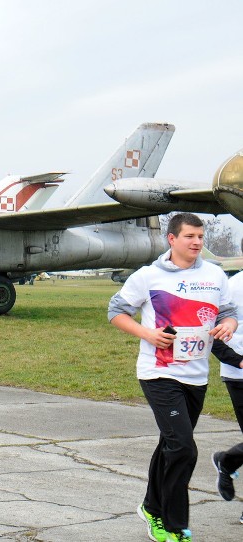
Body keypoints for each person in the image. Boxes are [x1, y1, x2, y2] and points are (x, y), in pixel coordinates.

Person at [108, 213, 240, 542]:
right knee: (184, 448)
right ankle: (173, 524)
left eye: (200, 236)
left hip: (196, 376)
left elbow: (227, 313)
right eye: (189, 237)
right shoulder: (149, 276)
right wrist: (147, 334)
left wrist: (230, 326)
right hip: (159, 374)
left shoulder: (214, 274)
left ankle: (151, 508)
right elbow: (116, 311)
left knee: (171, 444)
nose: (196, 242)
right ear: (172, 239)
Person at [212, 260, 243, 525]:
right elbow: (213, 337)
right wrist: (240, 361)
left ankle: (228, 461)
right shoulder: (231, 289)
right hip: (240, 376)